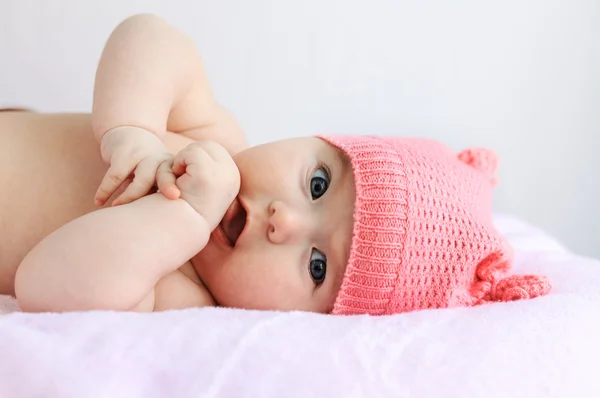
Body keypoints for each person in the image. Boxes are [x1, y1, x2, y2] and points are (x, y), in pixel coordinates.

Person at [0, 14, 551, 315]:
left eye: (317, 267)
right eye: (318, 183)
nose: (283, 220)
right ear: (316, 141)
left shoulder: (180, 290)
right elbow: (149, 37)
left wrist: (183, 220)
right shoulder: (214, 136)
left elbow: (45, 285)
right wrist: (133, 132)